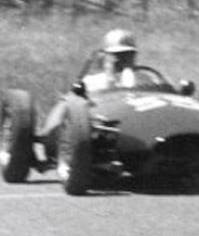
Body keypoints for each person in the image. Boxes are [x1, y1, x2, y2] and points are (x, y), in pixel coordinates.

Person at [34, 28, 140, 161]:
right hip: (101, 130)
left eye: (128, 54)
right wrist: (50, 132)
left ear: (134, 56)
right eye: (117, 55)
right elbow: (69, 104)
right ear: (106, 55)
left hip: (136, 125)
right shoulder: (91, 82)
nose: (122, 59)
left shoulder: (143, 80)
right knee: (70, 100)